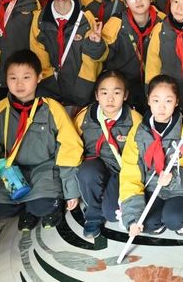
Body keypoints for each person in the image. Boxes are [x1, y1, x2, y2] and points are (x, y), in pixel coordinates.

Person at [0, 50, 83, 231]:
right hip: (12, 169)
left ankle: (42, 206)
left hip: (45, 167)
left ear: (39, 77)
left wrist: (71, 190)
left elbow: (70, 147)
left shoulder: (52, 108)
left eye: (26, 77)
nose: (19, 84)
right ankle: (27, 207)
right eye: (13, 78)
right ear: (6, 79)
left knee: (43, 206)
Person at [120, 75, 183, 236]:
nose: (161, 107)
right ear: (148, 100)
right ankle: (158, 218)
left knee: (174, 219)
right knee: (146, 223)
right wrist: (132, 218)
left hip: (181, 187)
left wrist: (173, 177)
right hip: (153, 186)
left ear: (177, 102)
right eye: (156, 100)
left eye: (168, 101)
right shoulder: (138, 132)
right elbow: (130, 173)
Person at [74, 70, 142, 239]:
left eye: (116, 93)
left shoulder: (134, 119)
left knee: (112, 214)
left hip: (121, 170)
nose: (110, 99)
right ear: (96, 95)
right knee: (87, 172)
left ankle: (106, 198)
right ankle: (93, 215)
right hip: (95, 165)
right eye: (104, 93)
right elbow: (72, 147)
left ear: (125, 95)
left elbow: (141, 154)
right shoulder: (84, 117)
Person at [29, 0, 107, 107]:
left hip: (82, 94)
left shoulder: (86, 18)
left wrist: (82, 91)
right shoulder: (39, 19)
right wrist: (49, 87)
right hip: (50, 93)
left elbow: (93, 61)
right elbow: (38, 55)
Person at [102, 0, 165, 112]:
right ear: (125, 2)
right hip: (124, 85)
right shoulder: (116, 23)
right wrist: (95, 44)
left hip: (155, 84)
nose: (138, 0)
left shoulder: (163, 22)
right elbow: (103, 57)